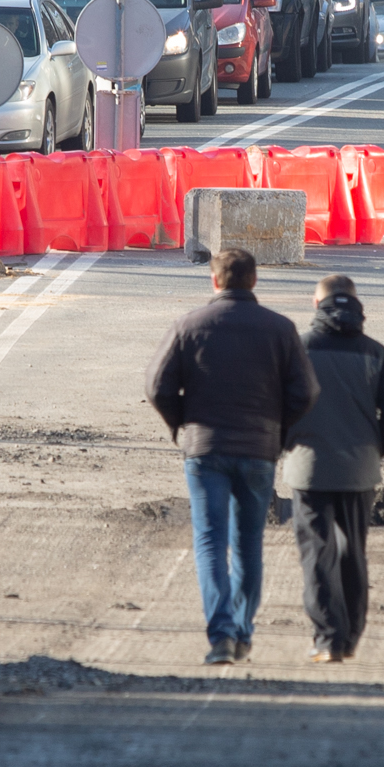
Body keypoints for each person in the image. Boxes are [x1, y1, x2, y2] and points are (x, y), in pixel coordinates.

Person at [144, 245, 318, 665]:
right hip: (259, 450)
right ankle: (241, 630)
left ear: (215, 281)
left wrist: (181, 423)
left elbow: (156, 386)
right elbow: (305, 392)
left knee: (209, 540)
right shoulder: (280, 329)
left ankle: (221, 634)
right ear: (254, 280)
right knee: (247, 544)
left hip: (205, 450)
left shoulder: (189, 325)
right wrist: (279, 431)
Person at [280, 274, 384, 664]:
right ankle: (351, 635)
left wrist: (287, 444)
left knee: (318, 551)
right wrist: (376, 446)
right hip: (360, 470)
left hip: (309, 469)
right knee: (353, 552)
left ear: (315, 303)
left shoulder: (299, 350)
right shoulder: (375, 353)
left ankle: (328, 638)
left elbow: (279, 407)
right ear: (356, 303)